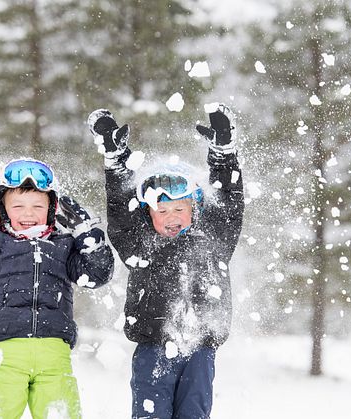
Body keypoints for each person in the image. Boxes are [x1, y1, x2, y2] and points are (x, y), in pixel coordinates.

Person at [87, 104, 244, 418]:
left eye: (179, 209)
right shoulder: (140, 244)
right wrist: (116, 159)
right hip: (153, 348)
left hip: (200, 349)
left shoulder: (213, 240)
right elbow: (120, 210)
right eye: (162, 210)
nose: (172, 217)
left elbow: (229, 200)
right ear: (148, 213)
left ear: (194, 209)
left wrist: (223, 153)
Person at [0, 158, 114, 419]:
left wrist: (86, 231)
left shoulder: (63, 244)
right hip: (5, 353)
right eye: (18, 205)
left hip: (54, 355)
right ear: (1, 208)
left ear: (51, 209)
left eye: (37, 205)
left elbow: (97, 274)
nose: (28, 213)